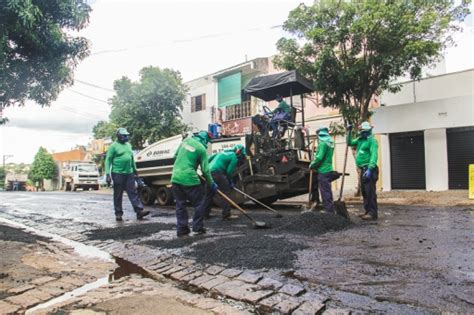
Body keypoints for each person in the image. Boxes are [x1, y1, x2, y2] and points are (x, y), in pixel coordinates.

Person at [171, 131, 216, 237]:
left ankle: (182, 229)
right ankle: (197, 227)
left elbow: (175, 156)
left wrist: (187, 165)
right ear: (205, 140)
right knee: (199, 203)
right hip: (190, 179)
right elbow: (205, 170)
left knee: (180, 204)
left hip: (175, 178)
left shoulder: (185, 140)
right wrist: (211, 184)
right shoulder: (201, 149)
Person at [105, 127, 149, 222]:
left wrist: (135, 171)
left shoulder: (128, 145)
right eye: (124, 136)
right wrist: (108, 174)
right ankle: (118, 214)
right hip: (117, 173)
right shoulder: (113, 146)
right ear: (119, 136)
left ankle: (139, 211)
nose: (126, 137)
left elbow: (131, 158)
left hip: (129, 173)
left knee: (133, 192)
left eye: (126, 136)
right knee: (118, 194)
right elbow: (108, 160)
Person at [203, 144, 246, 220]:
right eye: (241, 154)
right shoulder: (234, 157)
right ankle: (226, 215)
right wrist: (230, 182)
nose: (240, 156)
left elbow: (208, 159)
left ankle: (205, 214)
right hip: (217, 173)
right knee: (225, 193)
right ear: (238, 151)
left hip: (208, 173)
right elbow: (229, 172)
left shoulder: (222, 152)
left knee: (209, 194)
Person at [347, 122, 379, 220]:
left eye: (364, 131)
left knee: (370, 192)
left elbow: (374, 155)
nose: (362, 133)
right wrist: (349, 132)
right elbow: (350, 143)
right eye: (361, 131)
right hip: (363, 169)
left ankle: (372, 213)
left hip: (370, 169)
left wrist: (370, 168)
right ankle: (367, 211)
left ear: (369, 131)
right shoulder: (360, 140)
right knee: (365, 192)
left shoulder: (372, 141)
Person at [309, 127, 335, 213]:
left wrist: (312, 165)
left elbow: (319, 158)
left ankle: (329, 211)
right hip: (329, 169)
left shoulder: (322, 144)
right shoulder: (330, 142)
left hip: (323, 170)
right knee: (327, 191)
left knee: (325, 192)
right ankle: (330, 209)